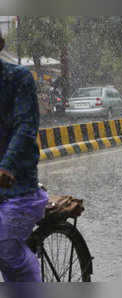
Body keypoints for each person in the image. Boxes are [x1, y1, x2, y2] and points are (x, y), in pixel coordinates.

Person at [0, 32, 48, 282]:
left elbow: (25, 127)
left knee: (6, 252)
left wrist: (6, 167)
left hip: (17, 184)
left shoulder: (18, 78)